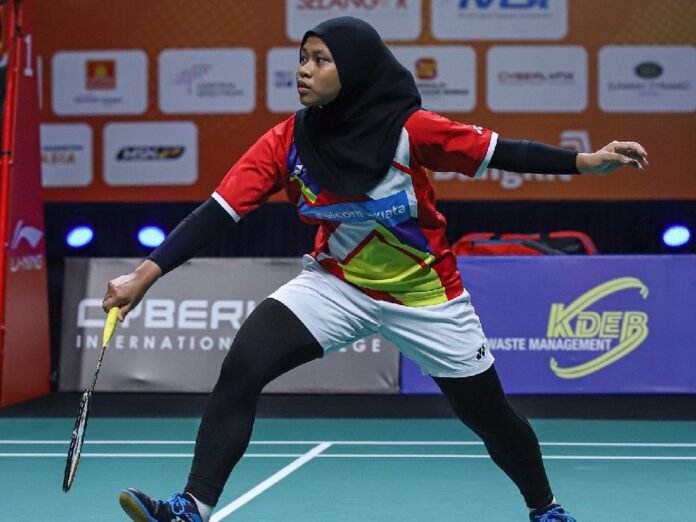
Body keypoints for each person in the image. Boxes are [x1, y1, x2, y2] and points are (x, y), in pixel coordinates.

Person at [107, 17, 648, 522]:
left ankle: (545, 508)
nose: (304, 70)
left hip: (426, 297)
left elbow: (503, 152)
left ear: (356, 69)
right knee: (244, 365)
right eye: (303, 58)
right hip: (336, 286)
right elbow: (218, 212)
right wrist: (144, 276)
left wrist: (584, 162)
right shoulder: (287, 141)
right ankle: (193, 507)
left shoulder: (410, 131)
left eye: (321, 60)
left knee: (490, 417)